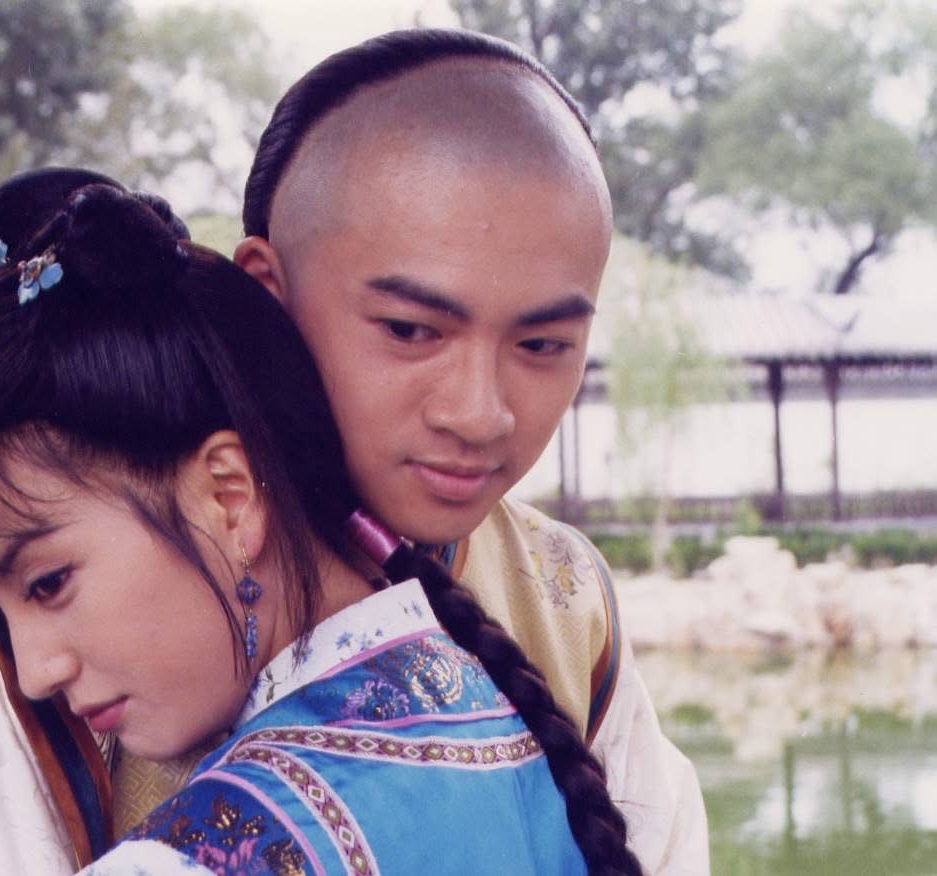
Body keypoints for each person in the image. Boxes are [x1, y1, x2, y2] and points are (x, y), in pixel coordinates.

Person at [0, 175, 641, 873]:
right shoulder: (500, 727)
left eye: (48, 584)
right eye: (1, 610)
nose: (37, 670)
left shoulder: (221, 847)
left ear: (228, 496)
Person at [225, 28, 709, 873]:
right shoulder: (78, 584)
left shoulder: (564, 599)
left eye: (542, 345)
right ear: (266, 296)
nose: (480, 415)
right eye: (410, 330)